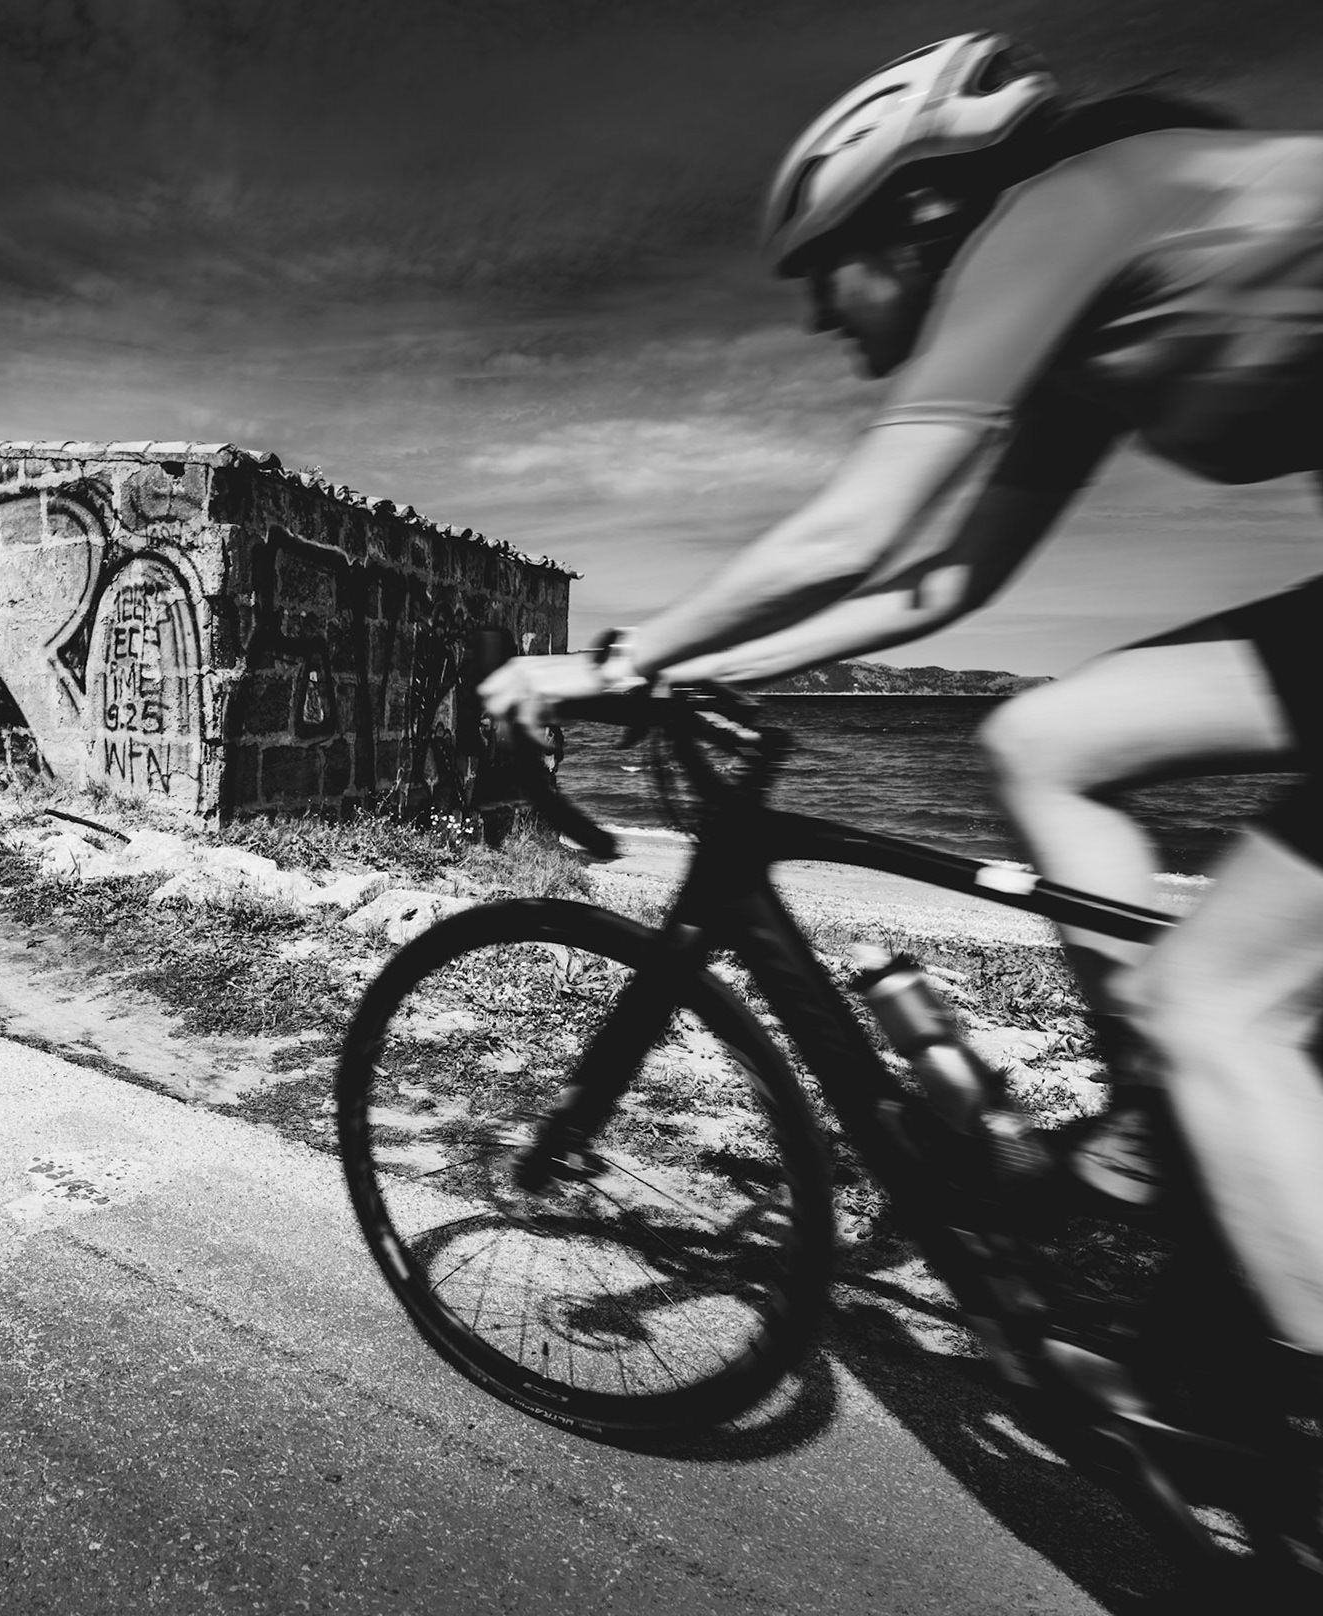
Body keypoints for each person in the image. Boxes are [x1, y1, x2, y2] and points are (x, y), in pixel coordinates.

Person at [480, 28, 1323, 1538]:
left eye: (828, 273)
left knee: (1222, 1000)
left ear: (917, 217)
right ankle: (1158, 1157)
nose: (821, 316)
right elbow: (934, 589)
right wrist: (683, 666)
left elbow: (858, 530)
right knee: (1048, 738)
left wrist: (605, 668)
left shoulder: (1065, 212)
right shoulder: (1093, 320)